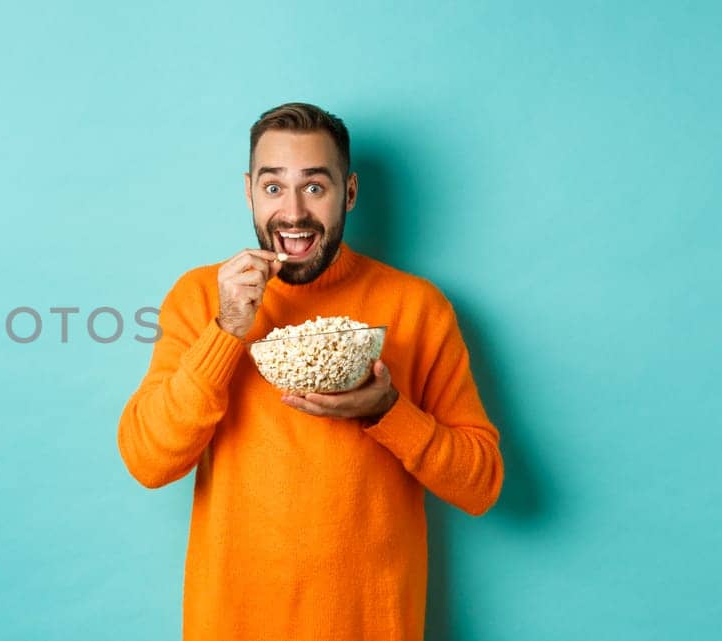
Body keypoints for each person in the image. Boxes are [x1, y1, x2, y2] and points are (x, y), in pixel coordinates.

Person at [117, 102, 504, 641]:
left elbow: (482, 483)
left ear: (348, 192)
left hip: (373, 623)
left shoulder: (416, 307)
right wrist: (227, 331)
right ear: (249, 192)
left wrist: (388, 411)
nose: (293, 213)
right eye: (274, 187)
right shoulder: (202, 297)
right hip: (233, 623)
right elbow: (148, 460)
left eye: (315, 187)